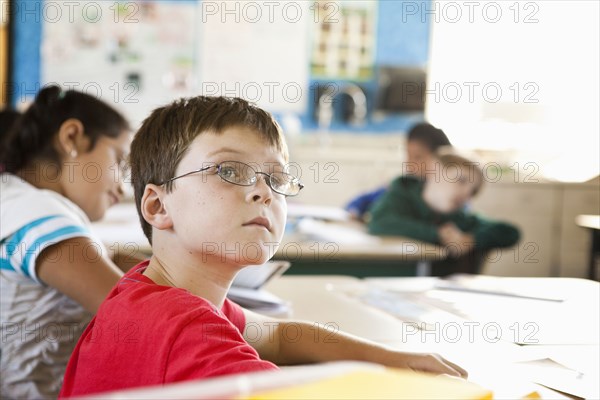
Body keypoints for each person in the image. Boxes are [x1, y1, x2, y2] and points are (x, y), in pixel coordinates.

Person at [60, 96, 467, 397]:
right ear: (157, 204)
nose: (263, 192)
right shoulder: (182, 324)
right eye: (230, 171)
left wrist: (396, 359)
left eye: (277, 178)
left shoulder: (153, 292)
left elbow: (278, 334)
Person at [0, 86, 133, 399]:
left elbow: (104, 260)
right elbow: (134, 316)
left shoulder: (16, 199)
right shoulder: (38, 211)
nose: (122, 188)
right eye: (118, 160)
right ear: (72, 137)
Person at [368, 148, 520, 275]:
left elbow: (510, 232)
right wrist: (438, 234)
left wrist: (471, 240)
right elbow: (379, 222)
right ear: (435, 169)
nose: (466, 194)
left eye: (472, 192)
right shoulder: (400, 197)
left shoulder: (459, 218)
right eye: (461, 181)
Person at [345, 122, 451, 220]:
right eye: (408, 156)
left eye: (418, 157)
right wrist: (355, 211)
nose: (409, 164)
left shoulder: (451, 195)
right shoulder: (402, 185)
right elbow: (361, 201)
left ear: (440, 161)